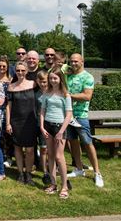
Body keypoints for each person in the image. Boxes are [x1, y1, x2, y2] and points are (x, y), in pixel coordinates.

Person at [66, 53, 104, 188]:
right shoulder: (68, 74)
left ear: (82, 61)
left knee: (87, 143)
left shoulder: (88, 77)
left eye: (76, 61)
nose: (73, 63)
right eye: (71, 61)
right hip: (68, 116)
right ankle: (79, 168)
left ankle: (97, 173)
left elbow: (87, 96)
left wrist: (69, 96)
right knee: (73, 142)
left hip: (81, 116)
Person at [40, 69, 72, 199]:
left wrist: (61, 131)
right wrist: (42, 126)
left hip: (60, 127)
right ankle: (53, 184)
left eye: (55, 78)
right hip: (48, 125)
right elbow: (42, 110)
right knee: (51, 155)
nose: (53, 81)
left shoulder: (65, 95)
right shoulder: (46, 93)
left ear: (60, 79)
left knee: (59, 157)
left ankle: (64, 186)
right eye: (51, 78)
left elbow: (69, 114)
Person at [6, 61, 37, 184]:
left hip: (30, 121)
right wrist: (8, 123)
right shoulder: (11, 87)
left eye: (22, 70)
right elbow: (8, 107)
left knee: (30, 150)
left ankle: (28, 173)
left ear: (27, 71)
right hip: (16, 121)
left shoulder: (33, 84)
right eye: (18, 70)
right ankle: (20, 173)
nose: (20, 73)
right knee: (17, 148)